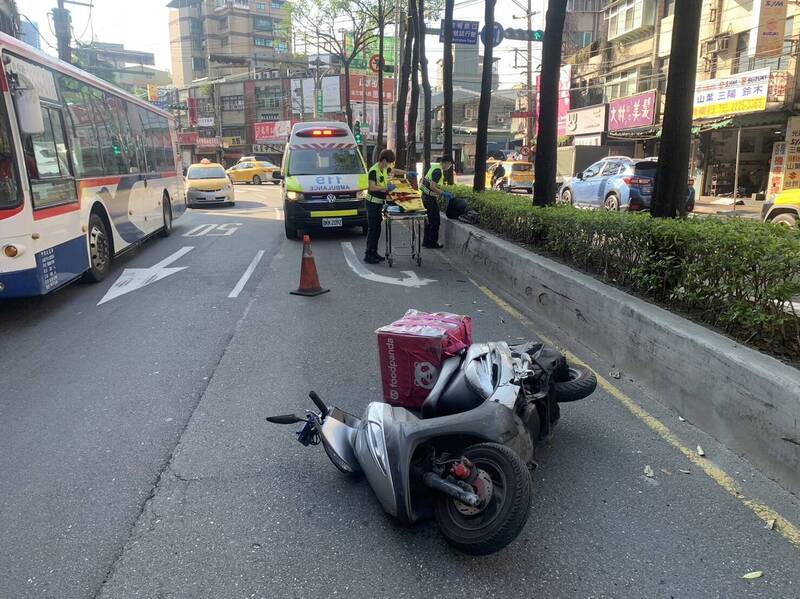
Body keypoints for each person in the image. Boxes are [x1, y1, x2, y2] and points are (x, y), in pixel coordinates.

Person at [364, 149, 414, 264]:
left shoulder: (384, 168)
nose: (390, 165)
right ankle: (368, 254)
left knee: (377, 229)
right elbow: (371, 187)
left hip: (379, 203)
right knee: (373, 229)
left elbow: (394, 170)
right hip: (372, 203)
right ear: (384, 160)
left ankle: (374, 252)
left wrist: (407, 172)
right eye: (390, 162)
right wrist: (385, 189)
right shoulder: (374, 171)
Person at [419, 155, 454, 249]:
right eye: (450, 164)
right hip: (430, 199)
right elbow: (432, 186)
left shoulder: (434, 167)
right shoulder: (438, 171)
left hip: (425, 197)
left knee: (429, 221)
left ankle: (426, 242)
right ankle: (432, 243)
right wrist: (443, 193)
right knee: (435, 221)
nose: (449, 167)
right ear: (446, 162)